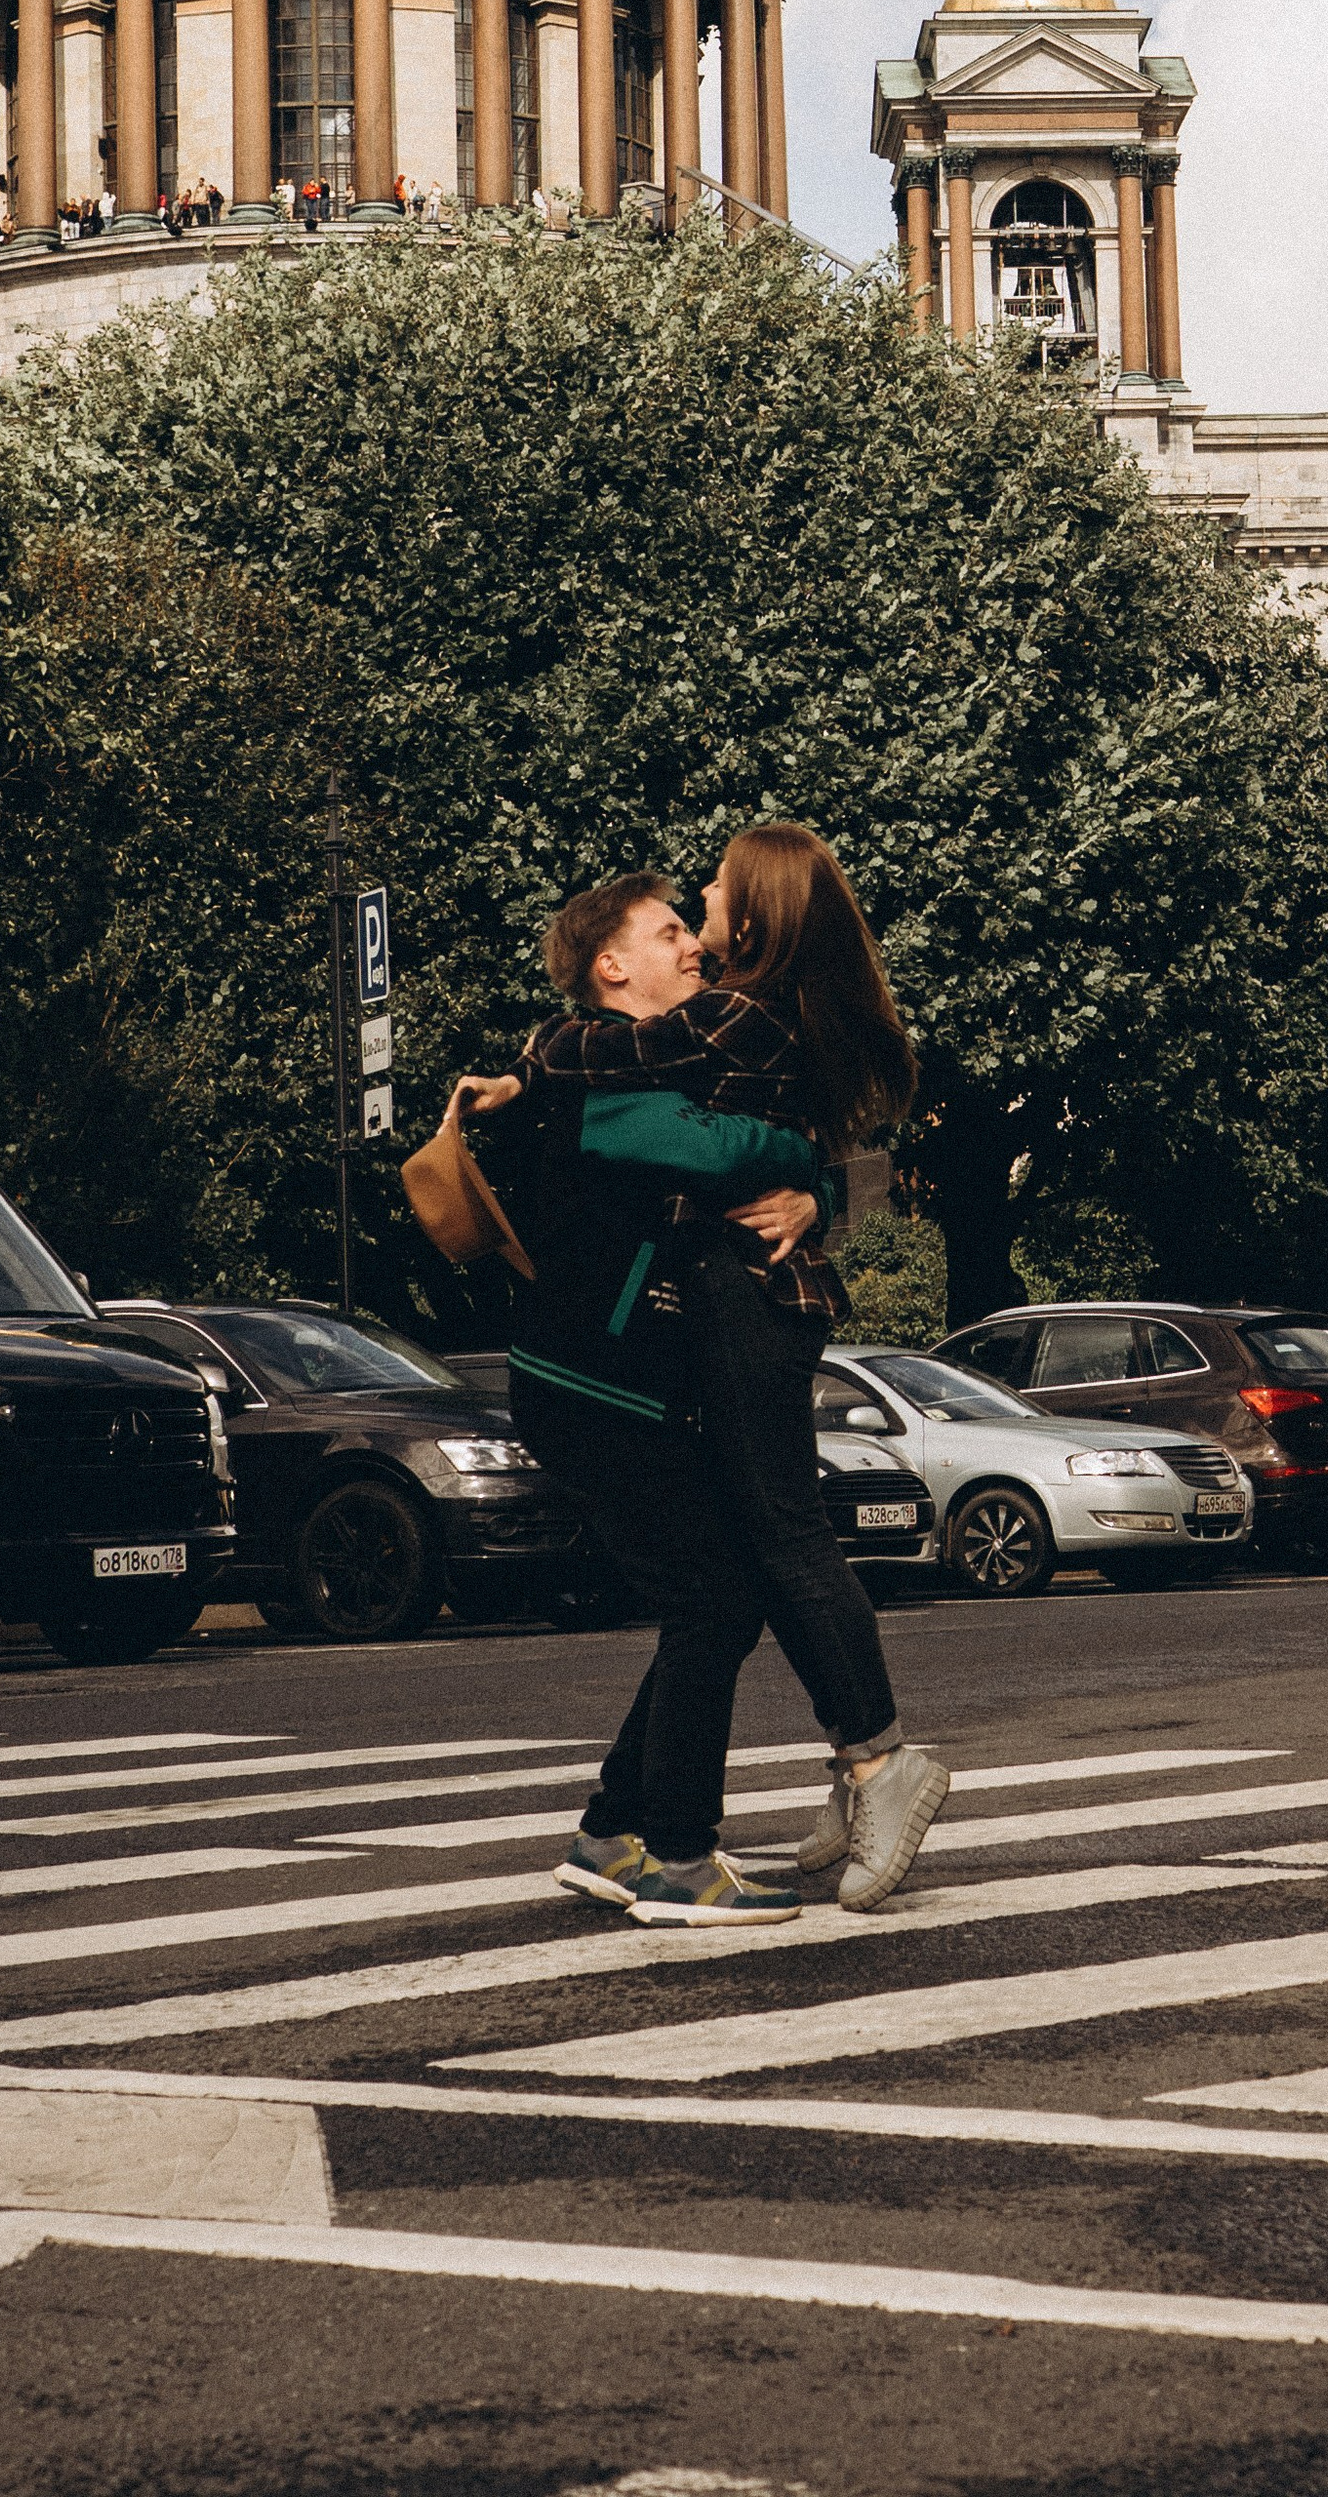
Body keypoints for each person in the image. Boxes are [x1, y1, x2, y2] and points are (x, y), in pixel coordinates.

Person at [552, 824, 950, 1912]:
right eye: (674, 918)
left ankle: (872, 1761)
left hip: (740, 1302)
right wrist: (814, 1171)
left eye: (712, 897)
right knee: (741, 1569)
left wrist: (531, 1059)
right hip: (670, 1332)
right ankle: (635, 1825)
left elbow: (696, 1129)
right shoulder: (746, 1020)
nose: (701, 913)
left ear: (759, 914)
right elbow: (699, 1131)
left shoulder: (728, 1018)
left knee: (772, 1540)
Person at [467, 872, 834, 1929]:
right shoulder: (597, 1079)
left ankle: (612, 1832)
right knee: (713, 1597)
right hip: (592, 1388)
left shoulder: (610, 1068)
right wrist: (807, 1159)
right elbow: (715, 1151)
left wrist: (818, 1188)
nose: (694, 950)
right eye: (670, 934)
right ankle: (673, 1851)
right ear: (610, 966)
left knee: (715, 1598)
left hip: (614, 1386)